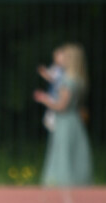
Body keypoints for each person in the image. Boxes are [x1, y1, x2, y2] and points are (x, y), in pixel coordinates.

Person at [33, 43, 92, 187]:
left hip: (64, 122)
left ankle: (62, 182)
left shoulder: (67, 81)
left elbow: (61, 106)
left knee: (63, 153)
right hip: (75, 121)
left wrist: (44, 99)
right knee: (75, 154)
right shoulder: (80, 80)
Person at [37, 56, 65, 131]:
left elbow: (50, 77)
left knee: (53, 118)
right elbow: (49, 76)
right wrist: (43, 72)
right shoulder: (55, 68)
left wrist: (44, 73)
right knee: (50, 120)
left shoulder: (65, 69)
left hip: (59, 96)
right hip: (54, 95)